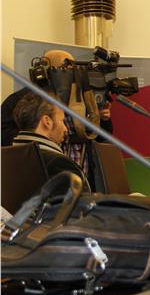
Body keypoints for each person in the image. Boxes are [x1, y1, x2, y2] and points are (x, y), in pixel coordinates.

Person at [1, 50, 113, 185]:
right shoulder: (23, 99)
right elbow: (4, 136)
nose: (74, 74)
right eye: (69, 69)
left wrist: (103, 120)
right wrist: (42, 142)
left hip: (82, 176)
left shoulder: (82, 98)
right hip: (42, 178)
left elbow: (100, 138)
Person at [11, 91, 91, 190]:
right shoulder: (58, 163)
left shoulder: (7, 157)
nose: (65, 129)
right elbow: (81, 198)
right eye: (62, 121)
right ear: (47, 122)